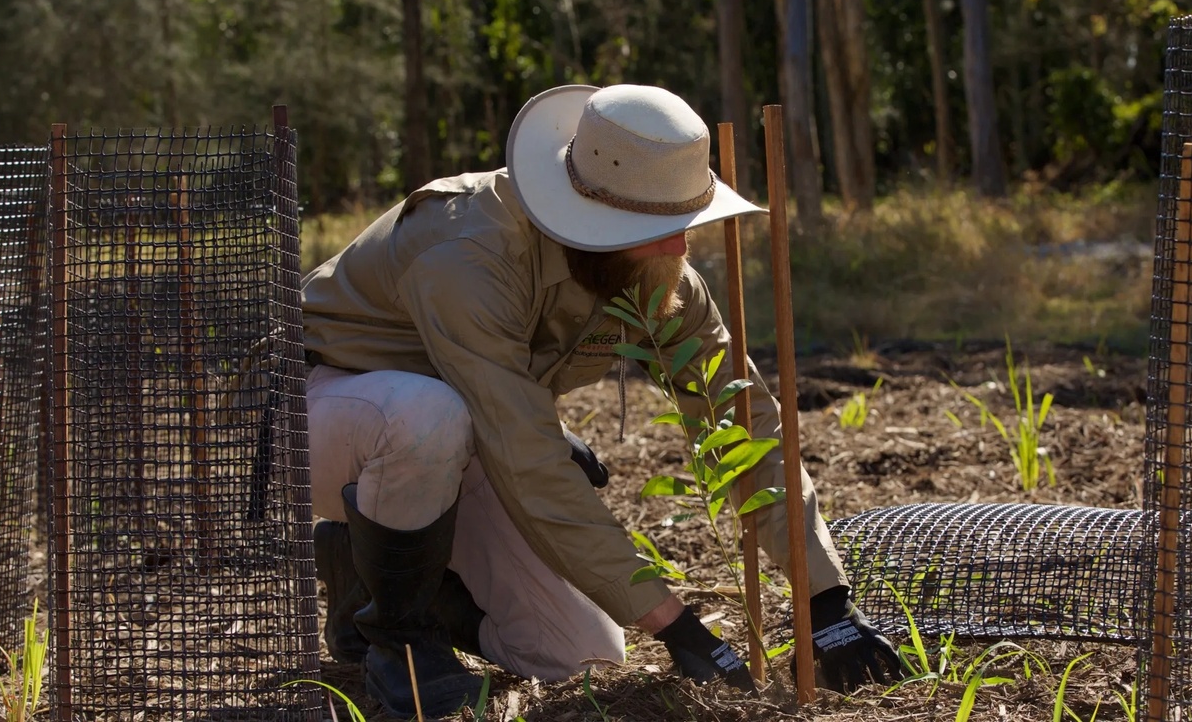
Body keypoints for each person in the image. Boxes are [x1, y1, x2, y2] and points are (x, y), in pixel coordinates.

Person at [301, 84, 905, 718]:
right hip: (316, 413)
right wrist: (678, 626)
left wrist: (825, 603)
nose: (679, 247)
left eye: (684, 224)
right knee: (426, 418)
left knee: (580, 651)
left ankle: (367, 566)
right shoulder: (468, 251)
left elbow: (741, 417)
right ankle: (400, 640)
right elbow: (525, 456)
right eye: (656, 229)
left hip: (459, 433)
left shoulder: (657, 273)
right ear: (587, 217)